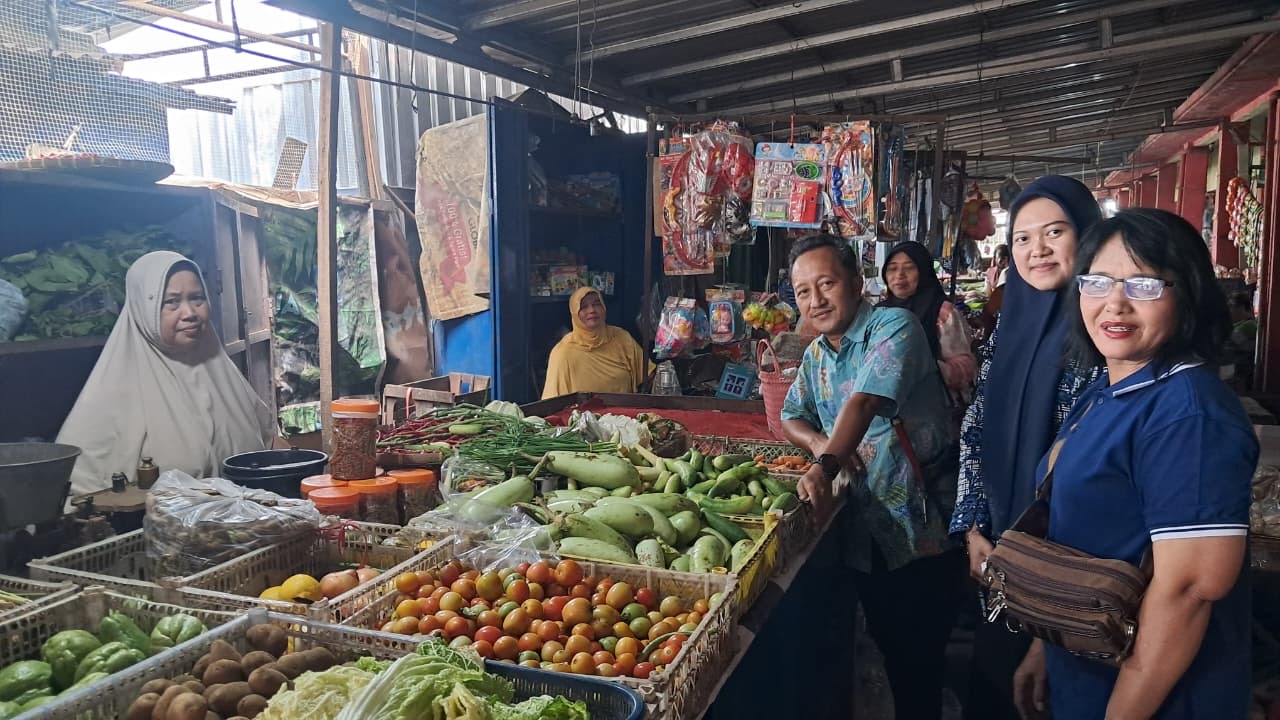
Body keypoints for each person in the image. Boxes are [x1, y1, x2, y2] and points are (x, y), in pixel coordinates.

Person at [1014, 207, 1257, 719]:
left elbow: (1189, 589)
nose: (1115, 304)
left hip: (1155, 697)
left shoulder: (1188, 413)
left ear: (1186, 293)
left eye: (1144, 286)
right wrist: (1047, 641)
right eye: (1098, 282)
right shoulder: (1112, 385)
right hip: (1090, 669)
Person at [782, 233, 964, 720]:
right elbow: (791, 414)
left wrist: (825, 466)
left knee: (919, 661)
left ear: (856, 282)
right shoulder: (818, 354)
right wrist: (820, 444)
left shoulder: (894, 327)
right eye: (803, 291)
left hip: (922, 530)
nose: (816, 300)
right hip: (864, 534)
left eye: (826, 283)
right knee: (884, 646)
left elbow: (863, 401)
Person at [948, 175, 1103, 720]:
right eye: (1022, 238)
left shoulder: (1108, 334)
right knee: (993, 690)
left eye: (1054, 232)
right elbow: (975, 428)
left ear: (1087, 238)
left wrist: (1050, 622)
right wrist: (972, 528)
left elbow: (1095, 487)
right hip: (998, 557)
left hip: (1069, 577)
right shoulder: (1010, 323)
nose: (1036, 250)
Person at [58, 251, 274, 497]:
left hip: (249, 527)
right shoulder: (110, 395)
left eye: (197, 298)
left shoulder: (222, 374)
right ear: (144, 308)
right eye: (171, 302)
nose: (190, 313)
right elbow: (76, 489)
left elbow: (269, 445)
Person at [881, 240, 977, 403]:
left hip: (932, 406)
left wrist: (926, 367)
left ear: (923, 271)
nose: (899, 275)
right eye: (892, 268)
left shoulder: (943, 313)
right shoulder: (879, 313)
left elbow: (967, 367)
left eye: (909, 267)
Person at [542, 287, 647, 398]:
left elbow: (648, 375)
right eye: (584, 307)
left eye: (597, 304)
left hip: (623, 414)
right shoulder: (563, 353)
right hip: (581, 415)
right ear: (574, 313)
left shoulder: (621, 338)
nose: (592, 310)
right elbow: (552, 402)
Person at [1225, 291, 1257, 390]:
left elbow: (1230, 339)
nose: (1229, 311)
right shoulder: (1236, 325)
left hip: (1239, 370)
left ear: (1241, 308)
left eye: (1231, 307)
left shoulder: (1249, 324)